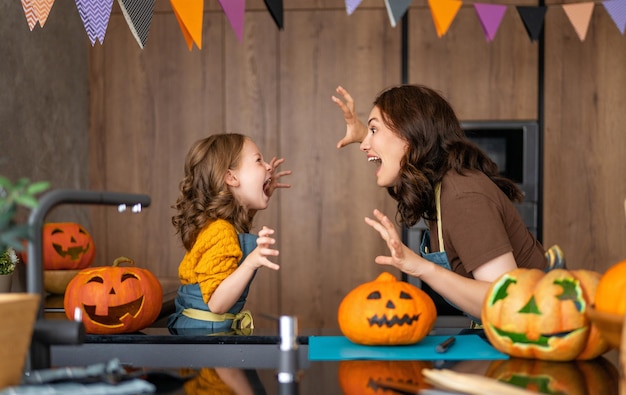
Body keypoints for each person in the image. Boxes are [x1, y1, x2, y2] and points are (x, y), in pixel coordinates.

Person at [331, 84, 548, 320]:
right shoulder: (444, 185)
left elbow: (506, 303)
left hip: (542, 334)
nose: (365, 145)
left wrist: (421, 268)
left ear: (411, 134)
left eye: (375, 130)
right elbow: (397, 146)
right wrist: (368, 133)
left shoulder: (463, 196)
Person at [167, 133, 291, 333]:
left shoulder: (223, 228)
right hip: (204, 338)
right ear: (231, 177)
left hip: (207, 333)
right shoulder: (220, 231)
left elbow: (237, 238)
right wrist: (252, 261)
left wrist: (262, 190)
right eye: (258, 160)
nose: (268, 166)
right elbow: (217, 305)